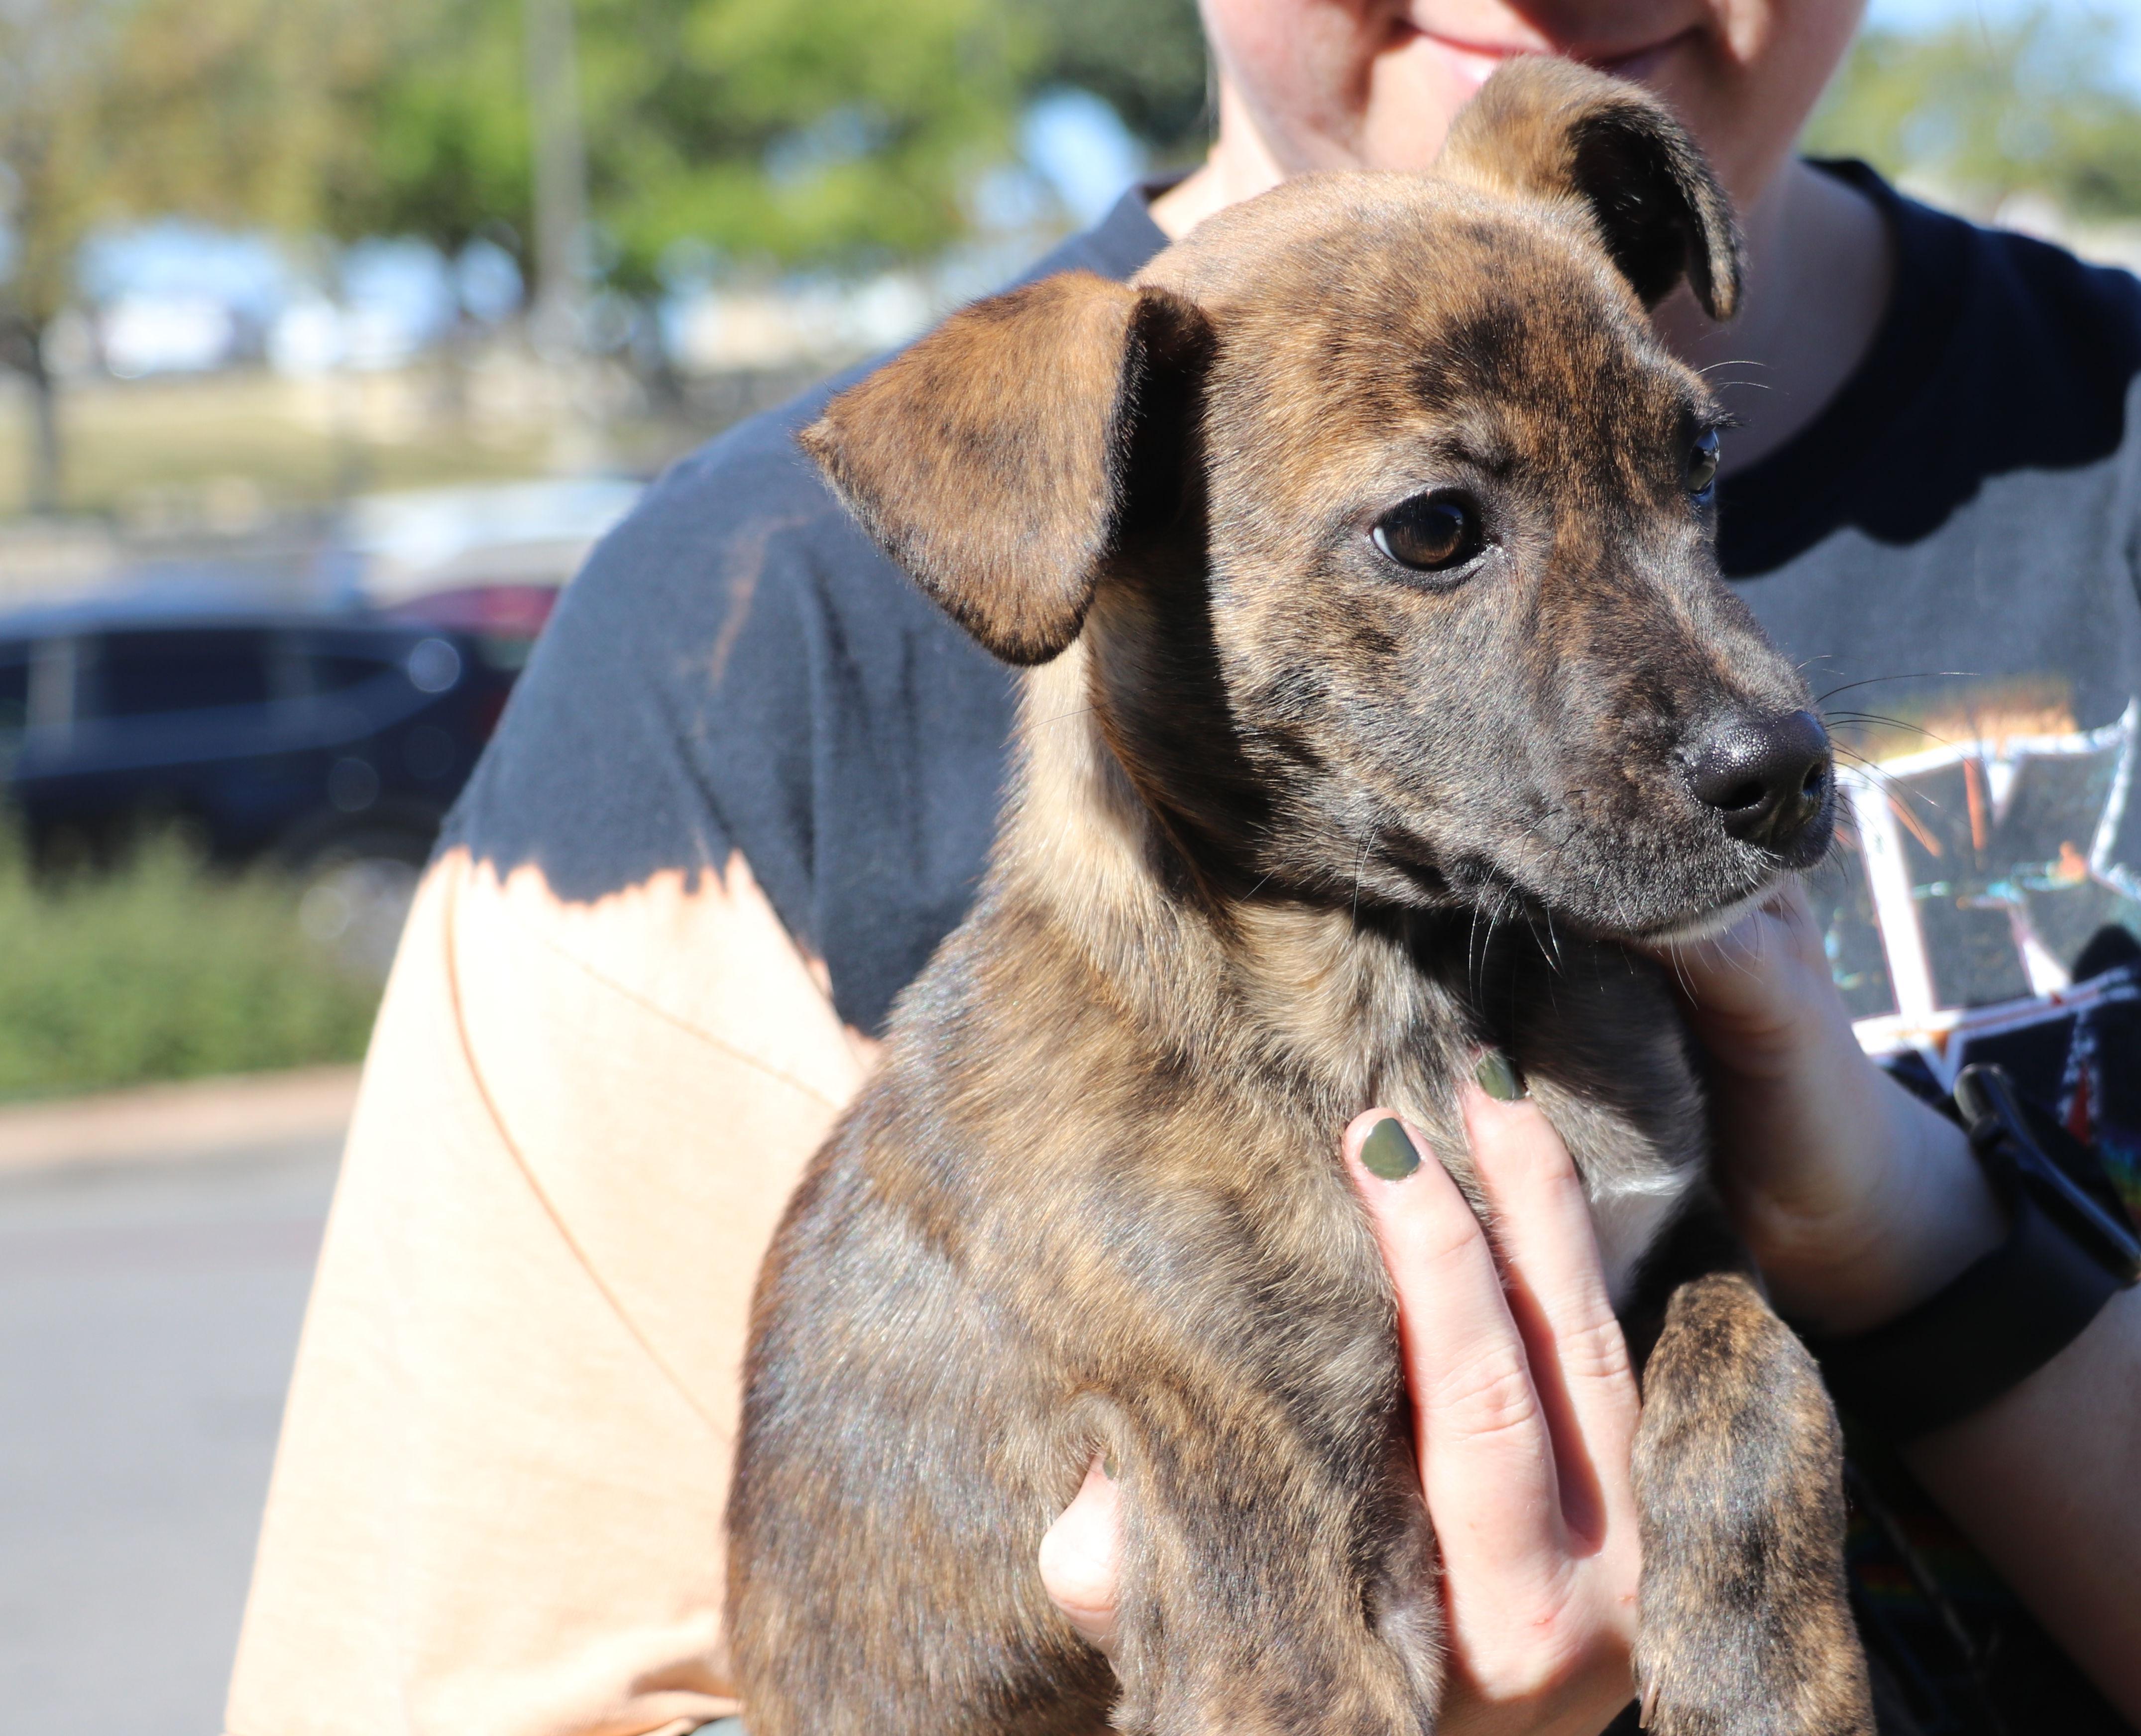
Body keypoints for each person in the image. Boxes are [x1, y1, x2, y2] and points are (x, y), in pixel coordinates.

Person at [224, 3, 2141, 1734]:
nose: (1747, 710)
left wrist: (1913, 1251)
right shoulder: (732, 659)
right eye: (1432, 534)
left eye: (1683, 471)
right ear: (1088, 559)